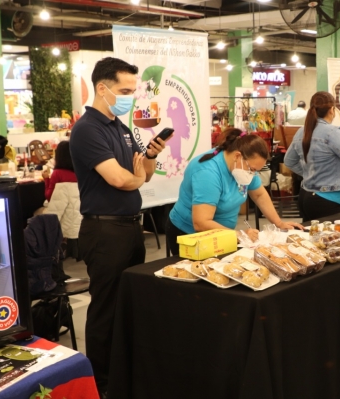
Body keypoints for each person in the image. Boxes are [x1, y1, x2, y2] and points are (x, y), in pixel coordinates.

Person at [70, 57, 166, 398]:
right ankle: (101, 384)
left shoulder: (121, 128)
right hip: (103, 231)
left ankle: (124, 372)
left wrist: (151, 156)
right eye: (124, 90)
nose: (129, 97)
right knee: (105, 308)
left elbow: (144, 174)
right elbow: (120, 179)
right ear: (102, 88)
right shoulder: (87, 129)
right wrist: (136, 176)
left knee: (129, 303)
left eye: (132, 91)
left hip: (129, 228)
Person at [166, 128, 303, 255]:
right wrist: (239, 235)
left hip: (224, 234)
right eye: (252, 169)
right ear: (237, 156)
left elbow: (259, 194)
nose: (253, 174)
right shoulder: (207, 173)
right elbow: (201, 222)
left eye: (256, 171)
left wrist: (279, 224)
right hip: (190, 237)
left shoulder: (244, 167)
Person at [284, 92, 340, 221]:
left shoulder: (301, 131)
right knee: (328, 239)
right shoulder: (332, 133)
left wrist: (308, 172)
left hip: (306, 196)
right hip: (327, 200)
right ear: (332, 110)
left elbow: (289, 161)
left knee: (312, 238)